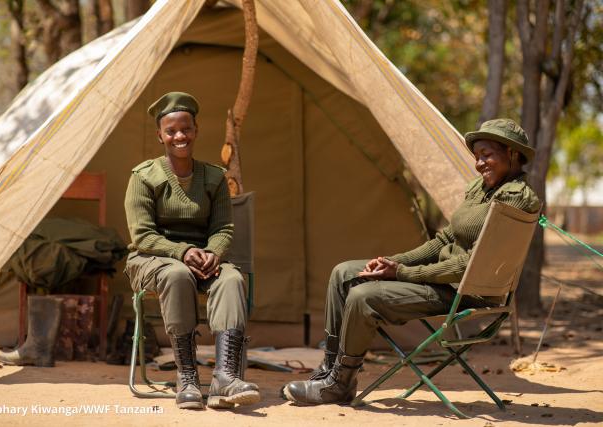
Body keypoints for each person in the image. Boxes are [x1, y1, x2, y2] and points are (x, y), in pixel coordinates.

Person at [282, 118, 540, 405]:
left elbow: (470, 265)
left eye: (488, 155)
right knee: (343, 273)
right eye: (477, 156)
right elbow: (443, 241)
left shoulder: (516, 199)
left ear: (513, 154)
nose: (479, 164)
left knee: (362, 296)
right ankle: (329, 370)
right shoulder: (480, 189)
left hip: (466, 292)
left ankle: (340, 383)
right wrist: (391, 262)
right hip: (443, 282)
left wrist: (402, 273)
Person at [124, 92, 260, 410]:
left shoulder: (214, 178)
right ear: (160, 135)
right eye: (171, 131)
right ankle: (186, 376)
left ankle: (225, 376)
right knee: (177, 275)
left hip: (203, 260)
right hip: (152, 260)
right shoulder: (144, 177)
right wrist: (183, 252)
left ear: (196, 130)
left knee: (231, 279)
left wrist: (214, 253)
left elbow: (224, 228)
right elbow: (143, 235)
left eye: (185, 129)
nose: (179, 136)